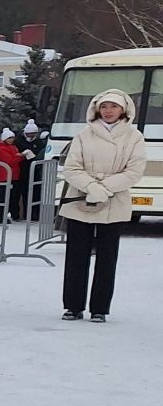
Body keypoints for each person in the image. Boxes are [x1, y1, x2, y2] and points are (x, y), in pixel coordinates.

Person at [56, 89, 143, 322]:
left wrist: (105, 188)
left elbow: (134, 171)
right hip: (81, 200)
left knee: (106, 258)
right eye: (104, 106)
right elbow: (72, 167)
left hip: (113, 202)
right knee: (76, 256)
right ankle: (73, 306)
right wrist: (90, 187)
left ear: (123, 109)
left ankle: (99, 308)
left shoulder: (134, 137)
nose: (108, 111)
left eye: (113, 107)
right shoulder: (83, 135)